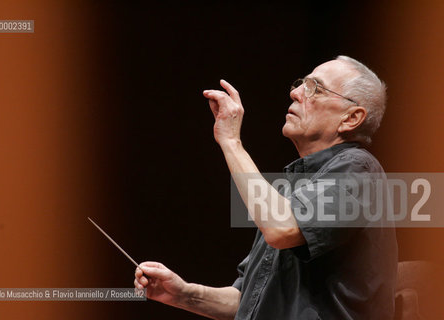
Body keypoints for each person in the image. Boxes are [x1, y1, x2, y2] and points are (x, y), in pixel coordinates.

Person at [134, 56, 397, 320]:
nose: (294, 93)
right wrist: (183, 294)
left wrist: (231, 141)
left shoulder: (359, 170)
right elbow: (248, 299)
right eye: (300, 84)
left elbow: (280, 229)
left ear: (351, 118)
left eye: (315, 88)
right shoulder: (289, 193)